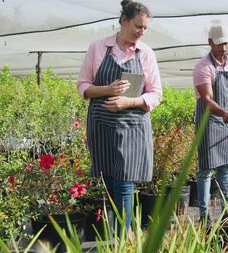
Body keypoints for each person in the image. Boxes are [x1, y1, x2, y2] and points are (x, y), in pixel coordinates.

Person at [77, 0, 162, 233]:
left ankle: (123, 239)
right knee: (110, 184)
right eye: (138, 26)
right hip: (103, 125)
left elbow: (156, 94)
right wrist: (108, 90)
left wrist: (129, 101)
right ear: (123, 21)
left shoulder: (146, 53)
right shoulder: (98, 48)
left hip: (133, 126)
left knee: (125, 184)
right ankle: (117, 236)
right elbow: (83, 86)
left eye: (145, 28)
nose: (141, 33)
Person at [193, 23, 228, 224]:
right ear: (210, 42)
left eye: (226, 43)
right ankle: (203, 214)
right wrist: (224, 113)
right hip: (209, 121)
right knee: (206, 169)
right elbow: (207, 100)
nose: (223, 48)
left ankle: (226, 211)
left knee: (225, 167)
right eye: (219, 44)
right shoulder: (203, 67)